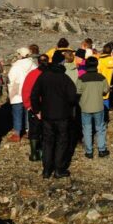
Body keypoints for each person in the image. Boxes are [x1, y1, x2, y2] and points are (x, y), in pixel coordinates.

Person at [31, 51, 77, 179]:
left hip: (47, 115)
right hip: (62, 115)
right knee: (61, 142)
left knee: (48, 142)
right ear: (62, 63)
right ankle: (58, 169)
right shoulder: (65, 78)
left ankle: (46, 170)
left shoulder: (44, 76)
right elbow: (73, 97)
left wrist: (37, 110)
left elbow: (34, 94)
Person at [76, 56, 110, 159]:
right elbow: (105, 91)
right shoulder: (102, 78)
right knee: (100, 128)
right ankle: (102, 150)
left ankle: (89, 151)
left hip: (85, 107)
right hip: (98, 106)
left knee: (87, 129)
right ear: (96, 65)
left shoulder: (81, 78)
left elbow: (77, 92)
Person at [22, 54, 49, 162]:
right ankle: (42, 152)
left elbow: (25, 91)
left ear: (38, 62)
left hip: (34, 105)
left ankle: (34, 153)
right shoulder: (50, 74)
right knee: (46, 130)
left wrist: (28, 105)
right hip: (47, 106)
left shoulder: (32, 74)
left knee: (34, 130)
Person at [7, 47, 37, 142]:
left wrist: (10, 91)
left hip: (17, 93)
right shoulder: (33, 65)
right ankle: (29, 131)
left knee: (17, 112)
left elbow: (11, 80)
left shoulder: (16, 66)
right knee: (29, 112)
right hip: (30, 92)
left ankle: (17, 133)